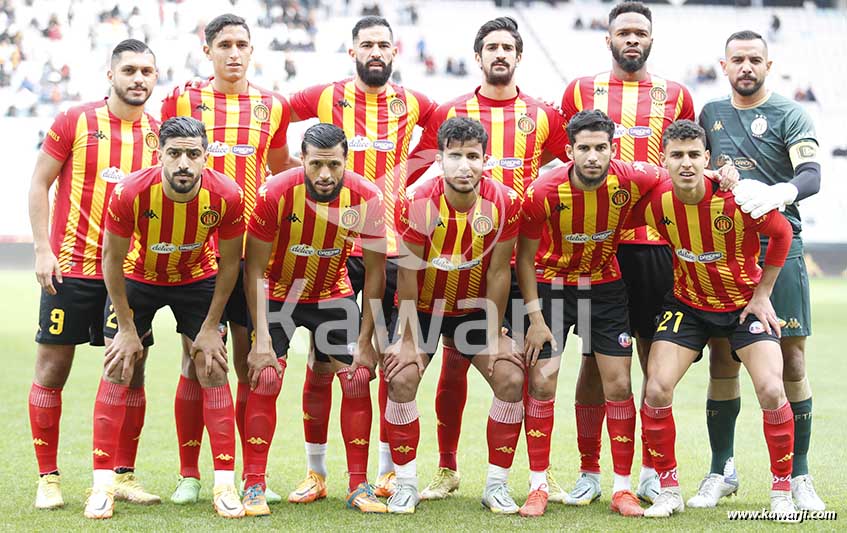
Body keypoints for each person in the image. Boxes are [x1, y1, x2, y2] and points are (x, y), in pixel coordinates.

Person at [405, 16, 569, 502]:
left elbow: (563, 173)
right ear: (478, 57)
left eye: (507, 48)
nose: (499, 54)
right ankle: (446, 467)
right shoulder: (451, 112)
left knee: (526, 368)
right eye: (490, 47)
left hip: (518, 260)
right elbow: (415, 168)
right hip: (457, 255)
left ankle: (537, 473)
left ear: (519, 56)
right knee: (453, 365)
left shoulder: (543, 115)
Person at [287, 15, 436, 501]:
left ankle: (387, 470)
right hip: (336, 249)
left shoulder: (412, 103)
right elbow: (275, 116)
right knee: (327, 361)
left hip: (392, 250)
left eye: (383, 45)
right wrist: (288, 174)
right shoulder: (324, 96)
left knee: (385, 360)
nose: (376, 51)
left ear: (395, 52)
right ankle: (316, 472)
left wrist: (413, 182)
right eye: (366, 44)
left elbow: (439, 132)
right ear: (352, 51)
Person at [559, 1, 695, 505]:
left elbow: (685, 158)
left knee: (652, 361)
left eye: (641, 32)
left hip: (660, 248)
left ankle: (654, 472)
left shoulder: (676, 95)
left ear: (652, 40)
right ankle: (592, 472)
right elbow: (565, 157)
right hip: (602, 250)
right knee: (595, 364)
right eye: (624, 32)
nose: (632, 39)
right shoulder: (580, 91)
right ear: (609, 38)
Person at [160, 13, 298, 505]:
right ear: (208, 50)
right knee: (196, 356)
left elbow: (281, 169)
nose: (234, 53)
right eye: (225, 45)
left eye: (242, 44)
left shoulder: (271, 105)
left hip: (252, 253)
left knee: (247, 363)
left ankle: (249, 476)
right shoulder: (183, 99)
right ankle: (188, 474)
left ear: (252, 50)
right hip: (199, 254)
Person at [628, 119, 797, 519]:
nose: (685, 163)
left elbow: (783, 233)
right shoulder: (656, 203)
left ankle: (782, 492)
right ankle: (668, 489)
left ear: (706, 159)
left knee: (772, 390)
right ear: (664, 160)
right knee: (656, 389)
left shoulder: (736, 198)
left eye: (692, 155)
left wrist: (762, 296)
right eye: (677, 156)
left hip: (741, 306)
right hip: (688, 305)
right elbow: (613, 214)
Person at [85, 116, 246, 519]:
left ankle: (225, 485)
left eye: (193, 154)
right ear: (159, 155)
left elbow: (229, 266)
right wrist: (125, 328)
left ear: (206, 157)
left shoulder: (226, 195)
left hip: (197, 279)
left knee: (211, 366)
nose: (184, 164)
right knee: (120, 366)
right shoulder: (130, 192)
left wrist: (211, 328)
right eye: (174, 154)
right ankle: (103, 486)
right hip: (138, 279)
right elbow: (112, 260)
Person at [692, 30, 824, 511]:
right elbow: (693, 164)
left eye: (754, 59)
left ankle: (801, 475)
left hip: (780, 249)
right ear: (722, 65)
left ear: (769, 65)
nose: (745, 67)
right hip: (727, 249)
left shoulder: (790, 113)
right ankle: (721, 469)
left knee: (791, 361)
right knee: (724, 358)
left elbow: (811, 175)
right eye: (737, 60)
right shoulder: (709, 115)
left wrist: (780, 192)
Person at [27, 38, 160, 511]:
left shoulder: (160, 135)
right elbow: (40, 182)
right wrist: (43, 250)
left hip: (127, 278)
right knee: (52, 370)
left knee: (132, 369)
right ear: (111, 74)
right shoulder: (75, 121)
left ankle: (121, 474)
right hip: (71, 270)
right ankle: (49, 477)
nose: (138, 79)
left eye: (147, 71)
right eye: (129, 70)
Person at [517, 109, 668, 517]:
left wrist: (720, 177)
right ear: (569, 151)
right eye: (583, 148)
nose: (593, 157)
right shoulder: (543, 191)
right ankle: (537, 486)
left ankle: (622, 489)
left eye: (601, 148)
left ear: (612, 149)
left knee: (618, 386)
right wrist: (534, 319)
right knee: (543, 383)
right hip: (552, 287)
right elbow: (525, 259)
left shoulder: (632, 177)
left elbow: (676, 175)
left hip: (604, 287)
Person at [240, 123, 387, 515]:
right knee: (267, 375)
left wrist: (367, 340)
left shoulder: (367, 198)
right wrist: (261, 340)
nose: (325, 175)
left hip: (331, 292)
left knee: (356, 378)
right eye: (316, 164)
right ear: (302, 159)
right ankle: (254, 483)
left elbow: (375, 274)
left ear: (345, 162)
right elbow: (253, 269)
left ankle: (358, 485)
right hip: (277, 292)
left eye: (333, 165)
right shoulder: (274, 193)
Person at [386, 116, 524, 514]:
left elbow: (500, 272)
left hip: (474, 311)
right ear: (440, 159)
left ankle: (496, 486)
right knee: (402, 377)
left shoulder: (505, 201)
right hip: (425, 308)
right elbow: (407, 276)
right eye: (455, 156)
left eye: (473, 157)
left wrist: (496, 330)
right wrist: (409, 339)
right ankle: (406, 484)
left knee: (512, 378)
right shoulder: (417, 201)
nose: (465, 166)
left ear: (486, 159)